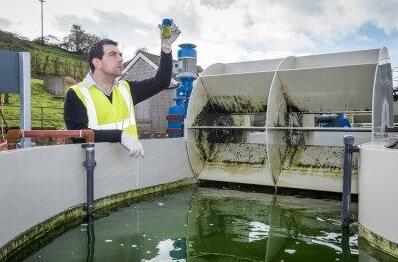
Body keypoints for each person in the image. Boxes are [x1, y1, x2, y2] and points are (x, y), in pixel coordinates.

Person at [64, 22, 181, 157]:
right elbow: (78, 135)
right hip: (94, 171)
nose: (121, 59)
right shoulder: (77, 93)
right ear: (97, 62)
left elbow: (162, 82)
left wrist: (166, 47)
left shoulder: (126, 89)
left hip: (127, 168)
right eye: (113, 55)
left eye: (120, 54)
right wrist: (119, 135)